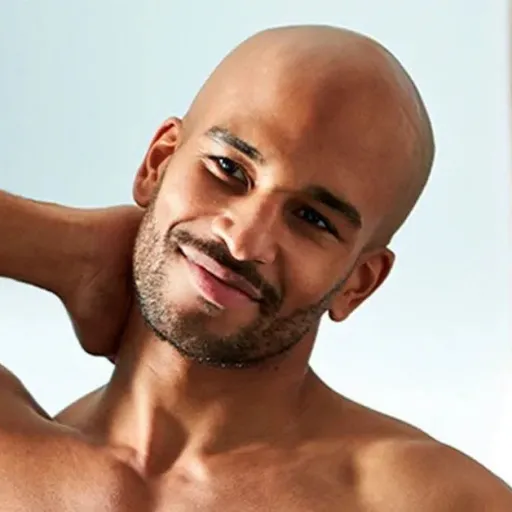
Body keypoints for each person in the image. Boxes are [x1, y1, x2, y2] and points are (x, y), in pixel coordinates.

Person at [0, 24, 510, 511]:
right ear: (158, 163)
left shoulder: (433, 503)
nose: (244, 241)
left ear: (358, 284)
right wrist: (71, 252)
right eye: (228, 169)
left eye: (312, 218)